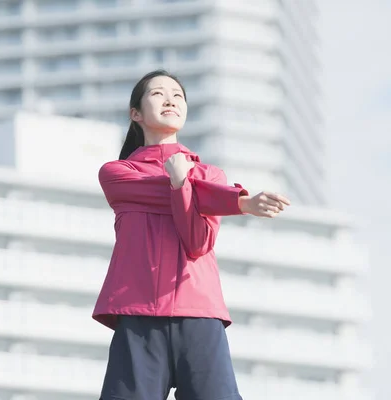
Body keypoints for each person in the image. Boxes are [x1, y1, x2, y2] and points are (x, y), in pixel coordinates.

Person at [93, 69, 291, 400]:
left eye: (178, 95)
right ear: (136, 114)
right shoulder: (117, 172)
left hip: (200, 312)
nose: (170, 98)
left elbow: (198, 243)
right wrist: (239, 202)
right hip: (139, 313)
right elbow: (160, 193)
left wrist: (183, 184)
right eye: (157, 93)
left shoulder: (211, 174)